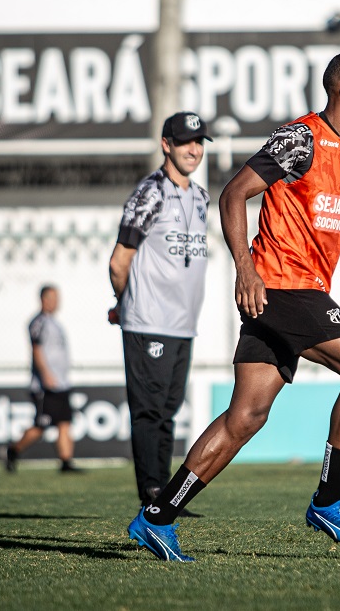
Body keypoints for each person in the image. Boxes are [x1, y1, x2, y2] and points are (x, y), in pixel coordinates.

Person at [126, 51, 340, 562]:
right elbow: (234, 194)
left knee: (247, 416)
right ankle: (327, 500)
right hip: (282, 287)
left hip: (298, 291)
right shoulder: (300, 139)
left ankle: (158, 516)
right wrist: (245, 267)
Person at [108, 111, 212, 508]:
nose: (194, 149)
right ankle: (151, 490)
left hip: (183, 323)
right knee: (150, 411)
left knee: (168, 410)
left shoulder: (199, 196)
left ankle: (163, 491)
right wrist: (124, 303)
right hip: (149, 320)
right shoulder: (150, 192)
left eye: (199, 141)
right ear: (166, 144)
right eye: (185, 141)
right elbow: (120, 261)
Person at [5, 285, 81, 473]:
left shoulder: (54, 323)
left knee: (64, 423)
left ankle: (66, 463)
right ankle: (13, 450)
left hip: (61, 383)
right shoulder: (38, 322)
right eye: (53, 297)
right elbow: (37, 349)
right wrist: (46, 375)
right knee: (41, 426)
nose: (56, 302)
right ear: (44, 299)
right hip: (46, 385)